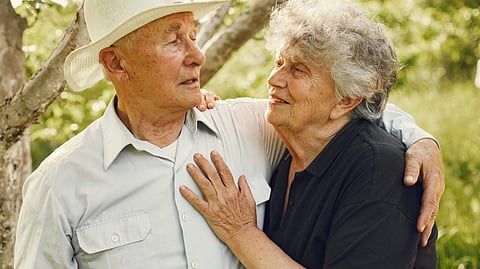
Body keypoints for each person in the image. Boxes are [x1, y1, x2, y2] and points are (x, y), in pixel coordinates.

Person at [14, 0, 443, 268]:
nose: (197, 55)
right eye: (172, 40)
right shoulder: (59, 185)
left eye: (194, 36)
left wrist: (420, 138)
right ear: (116, 64)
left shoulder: (252, 126)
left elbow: (347, 110)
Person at [180, 0, 439, 268]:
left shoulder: (380, 171)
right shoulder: (292, 149)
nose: (274, 79)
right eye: (279, 62)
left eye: (298, 70)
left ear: (345, 100)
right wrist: (187, 100)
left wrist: (241, 233)